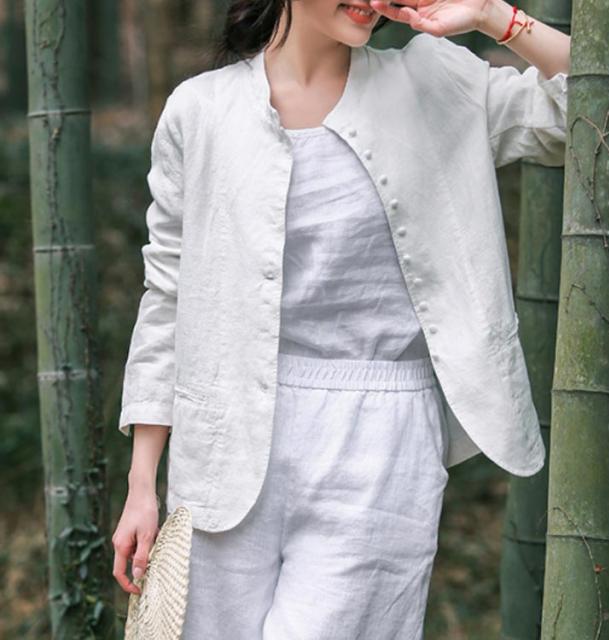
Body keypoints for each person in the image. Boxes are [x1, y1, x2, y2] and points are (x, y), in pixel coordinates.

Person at [111, 0, 571, 637]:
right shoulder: (200, 110)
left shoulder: (434, 84)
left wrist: (494, 15)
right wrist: (142, 483)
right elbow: (166, 297)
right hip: (221, 435)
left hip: (379, 440)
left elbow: (598, 105)